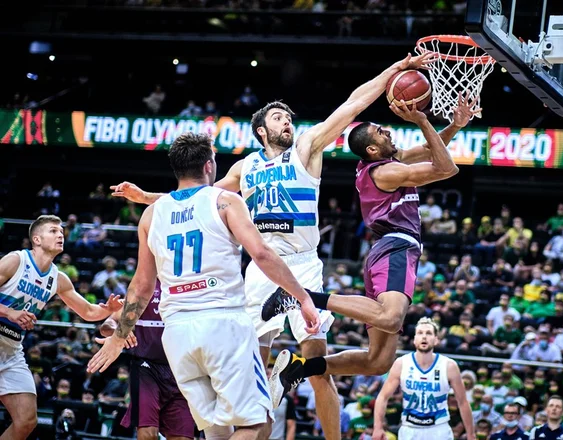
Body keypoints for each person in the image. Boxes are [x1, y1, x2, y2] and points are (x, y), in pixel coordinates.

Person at [109, 52, 438, 440]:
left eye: (289, 117)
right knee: (251, 368)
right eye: (279, 117)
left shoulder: (307, 148)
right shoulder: (244, 168)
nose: (288, 121)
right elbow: (197, 196)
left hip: (301, 265)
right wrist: (148, 197)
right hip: (261, 272)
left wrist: (394, 70)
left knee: (315, 365)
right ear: (261, 130)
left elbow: (353, 103)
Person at [87, 133, 320, 440]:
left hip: (177, 336)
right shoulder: (224, 201)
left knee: (216, 431)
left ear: (176, 168)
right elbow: (262, 253)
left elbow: (141, 286)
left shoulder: (152, 214)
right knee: (257, 423)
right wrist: (302, 297)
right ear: (209, 166)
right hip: (223, 325)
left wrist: (120, 335)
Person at [265, 92, 480, 406]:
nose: (389, 131)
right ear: (372, 149)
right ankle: (304, 296)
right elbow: (447, 168)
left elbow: (428, 149)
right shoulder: (385, 172)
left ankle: (300, 369)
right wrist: (420, 119)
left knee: (378, 361)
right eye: (382, 132)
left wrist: (455, 126)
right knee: (391, 319)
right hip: (395, 247)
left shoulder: (386, 162)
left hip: (385, 251)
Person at [0, 214, 123, 440]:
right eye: (53, 231)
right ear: (36, 239)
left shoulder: (58, 278)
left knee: (27, 420)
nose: (60, 235)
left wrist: (107, 308)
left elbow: (87, 312)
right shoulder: (16, 261)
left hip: (11, 347)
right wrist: (9, 312)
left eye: (61, 231)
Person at [96, 280, 195, 440]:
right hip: (146, 368)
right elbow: (109, 322)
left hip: (182, 369)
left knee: (182, 437)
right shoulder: (145, 285)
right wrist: (119, 332)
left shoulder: (187, 282)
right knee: (148, 434)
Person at [372, 317, 475, 440]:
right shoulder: (401, 363)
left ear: (436, 340)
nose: (424, 337)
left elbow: (463, 402)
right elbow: (383, 397)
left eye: (429, 333)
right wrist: (377, 427)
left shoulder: (449, 366)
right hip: (410, 428)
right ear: (414, 339)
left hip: (439, 429)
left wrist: (471, 435)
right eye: (420, 333)